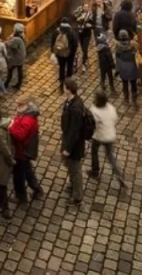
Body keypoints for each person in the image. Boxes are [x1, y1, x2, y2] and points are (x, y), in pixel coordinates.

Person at [9, 96, 45, 204]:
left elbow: (20, 135)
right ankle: (37, 190)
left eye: (20, 105)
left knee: (18, 175)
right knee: (28, 171)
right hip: (24, 150)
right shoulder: (27, 115)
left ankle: (21, 197)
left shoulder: (28, 119)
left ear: (26, 105)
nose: (17, 107)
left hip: (22, 151)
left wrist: (11, 127)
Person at [88, 90, 126, 187]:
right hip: (110, 135)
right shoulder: (110, 107)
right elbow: (115, 118)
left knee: (94, 152)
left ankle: (95, 170)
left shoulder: (94, 110)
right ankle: (118, 174)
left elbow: (92, 124)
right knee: (111, 157)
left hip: (99, 136)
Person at [60, 77, 89, 205]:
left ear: (68, 90)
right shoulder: (71, 101)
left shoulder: (76, 108)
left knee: (75, 168)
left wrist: (68, 148)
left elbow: (74, 131)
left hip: (74, 145)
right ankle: (72, 183)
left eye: (64, 87)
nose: (63, 88)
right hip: (68, 139)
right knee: (69, 164)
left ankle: (77, 196)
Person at [114, 30, 141, 104]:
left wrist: (117, 68)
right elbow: (137, 52)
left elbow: (117, 57)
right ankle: (134, 95)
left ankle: (126, 97)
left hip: (123, 66)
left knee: (124, 82)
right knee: (133, 82)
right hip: (132, 65)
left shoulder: (118, 46)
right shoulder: (133, 44)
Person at [4, 23, 27, 89]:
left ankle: (6, 83)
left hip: (16, 57)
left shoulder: (16, 39)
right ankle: (19, 84)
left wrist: (6, 42)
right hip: (21, 55)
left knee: (10, 69)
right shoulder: (22, 35)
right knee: (20, 70)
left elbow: (11, 46)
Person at [96, 27, 118, 93]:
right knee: (110, 77)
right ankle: (112, 88)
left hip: (102, 65)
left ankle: (102, 85)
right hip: (108, 65)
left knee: (103, 76)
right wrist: (112, 64)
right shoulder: (107, 48)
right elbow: (109, 57)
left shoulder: (99, 48)